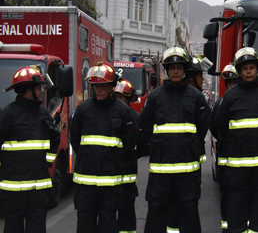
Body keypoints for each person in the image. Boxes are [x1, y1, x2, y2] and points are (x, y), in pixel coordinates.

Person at [211, 47, 258, 233]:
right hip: (237, 169)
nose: (248, 71)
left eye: (252, 67)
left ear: (257, 69)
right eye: (244, 68)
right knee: (236, 212)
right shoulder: (230, 95)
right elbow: (220, 126)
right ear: (239, 71)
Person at [139, 47, 210, 233]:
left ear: (185, 70)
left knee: (188, 212)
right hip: (160, 171)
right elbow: (145, 127)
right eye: (172, 68)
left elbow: (203, 125)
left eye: (179, 67)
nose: (176, 71)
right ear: (167, 70)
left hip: (188, 171)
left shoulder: (196, 97)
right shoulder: (155, 97)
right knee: (157, 211)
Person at [71, 62, 138, 233]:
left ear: (111, 86)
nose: (98, 90)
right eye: (95, 86)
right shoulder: (83, 109)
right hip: (85, 183)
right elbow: (75, 139)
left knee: (108, 223)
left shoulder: (123, 111)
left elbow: (129, 144)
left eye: (102, 86)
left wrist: (113, 163)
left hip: (110, 182)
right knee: (85, 223)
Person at [0, 65, 60, 233]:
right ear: (28, 90)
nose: (42, 91)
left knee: (37, 228)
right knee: (13, 227)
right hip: (14, 190)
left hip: (38, 188)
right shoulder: (8, 114)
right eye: (38, 87)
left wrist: (46, 163)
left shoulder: (42, 113)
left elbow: (54, 138)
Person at [114, 79, 141, 233]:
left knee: (127, 212)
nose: (120, 102)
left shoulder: (135, 117)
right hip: (110, 175)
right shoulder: (107, 115)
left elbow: (142, 144)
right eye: (117, 97)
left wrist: (132, 156)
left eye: (123, 98)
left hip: (128, 174)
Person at [214, 64, 239, 232]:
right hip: (224, 158)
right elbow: (213, 126)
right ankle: (226, 225)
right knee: (226, 194)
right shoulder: (220, 103)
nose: (231, 86)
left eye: (233, 82)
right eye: (228, 83)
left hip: (238, 157)